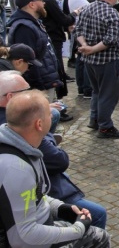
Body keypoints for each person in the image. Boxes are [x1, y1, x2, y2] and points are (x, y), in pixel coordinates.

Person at [0, 90, 111, 247]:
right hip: (32, 240)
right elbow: (22, 236)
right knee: (99, 237)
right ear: (39, 124)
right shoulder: (16, 169)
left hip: (40, 225)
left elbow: (35, 196)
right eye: (49, 114)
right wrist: (77, 230)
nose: (52, 116)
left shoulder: (19, 143)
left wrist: (60, 208)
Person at [75, 0, 119, 139]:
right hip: (107, 61)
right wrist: (91, 49)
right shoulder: (111, 13)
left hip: (89, 61)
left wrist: (85, 46)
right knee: (108, 95)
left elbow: (77, 30)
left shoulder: (86, 8)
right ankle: (105, 127)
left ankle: (95, 119)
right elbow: (111, 39)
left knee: (97, 91)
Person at [39, 132, 108, 229]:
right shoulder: (33, 139)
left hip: (47, 196)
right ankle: (91, 237)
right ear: (38, 125)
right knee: (99, 214)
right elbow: (60, 160)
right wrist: (48, 140)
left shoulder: (27, 137)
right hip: (50, 194)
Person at [7, 0, 62, 101]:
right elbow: (27, 62)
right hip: (39, 86)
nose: (44, 3)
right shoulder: (24, 28)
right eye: (40, 0)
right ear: (32, 5)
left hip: (45, 80)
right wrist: (39, 87)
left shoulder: (33, 23)